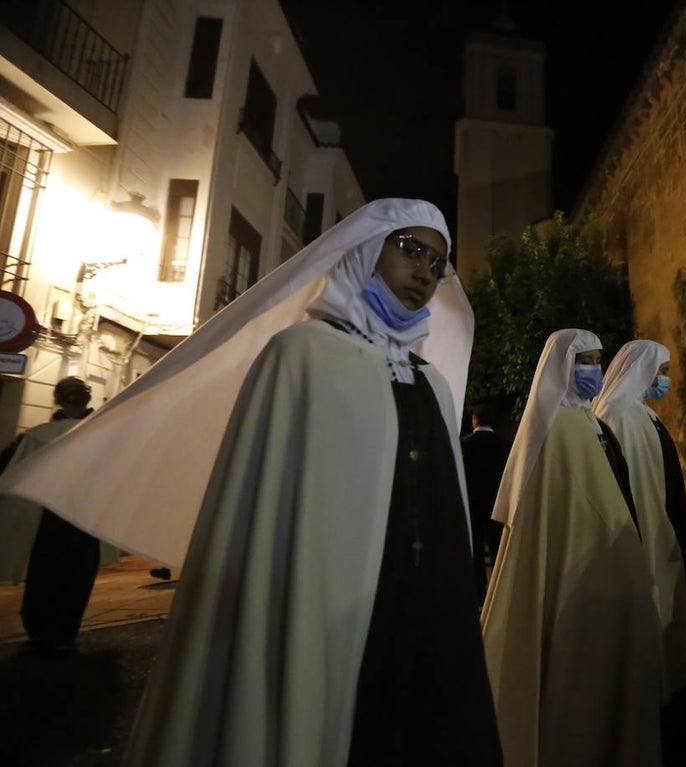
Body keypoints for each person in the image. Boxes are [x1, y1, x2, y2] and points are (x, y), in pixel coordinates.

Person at [0, 200, 498, 765]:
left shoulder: (431, 383)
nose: (424, 272)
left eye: (437, 262)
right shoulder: (303, 354)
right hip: (314, 604)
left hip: (417, 608)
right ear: (364, 250)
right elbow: (268, 505)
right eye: (410, 250)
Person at [482, 328, 662, 767]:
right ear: (563, 365)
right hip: (568, 566)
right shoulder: (552, 425)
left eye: (598, 361)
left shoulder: (588, 420)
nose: (594, 370)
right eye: (586, 361)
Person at [594, 340, 686, 757]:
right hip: (645, 532)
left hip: (663, 528)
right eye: (662, 370)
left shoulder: (643, 412)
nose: (666, 379)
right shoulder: (618, 413)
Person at [0, 377, 98, 653]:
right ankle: (64, 633)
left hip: (50, 519)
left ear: (58, 400)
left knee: (46, 576)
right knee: (76, 579)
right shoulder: (102, 433)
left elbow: (8, 469)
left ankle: (42, 631)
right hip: (84, 518)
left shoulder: (38, 435)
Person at [461, 405, 512, 596]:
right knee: (497, 546)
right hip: (496, 501)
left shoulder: (465, 444)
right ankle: (499, 590)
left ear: (475, 420)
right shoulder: (504, 445)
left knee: (476, 547)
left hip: (473, 502)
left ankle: (479, 591)